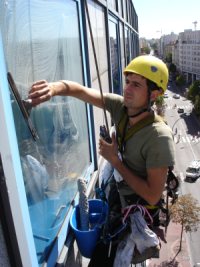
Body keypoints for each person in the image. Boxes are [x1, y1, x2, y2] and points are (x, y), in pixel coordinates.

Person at [28, 55, 175, 266]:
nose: (127, 89)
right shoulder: (121, 109)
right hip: (119, 198)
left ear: (154, 94)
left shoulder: (159, 137)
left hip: (137, 212)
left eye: (136, 85)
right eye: (127, 82)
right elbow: (78, 90)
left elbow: (152, 196)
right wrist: (54, 88)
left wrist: (114, 161)